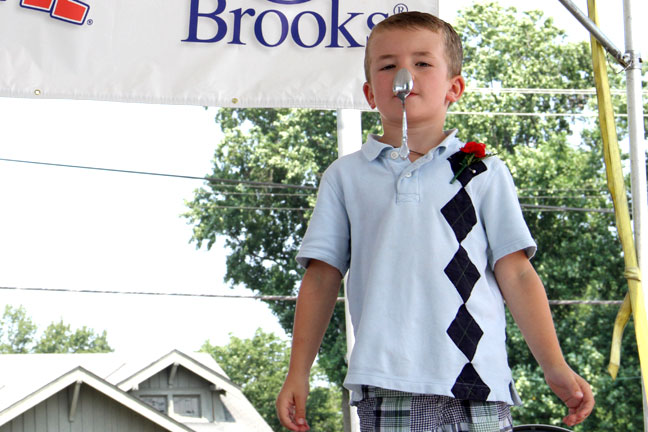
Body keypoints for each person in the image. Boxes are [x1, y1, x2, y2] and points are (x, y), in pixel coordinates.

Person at [276, 11, 594, 432]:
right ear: (371, 92)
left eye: (422, 63)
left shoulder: (482, 169)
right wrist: (297, 371)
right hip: (388, 381)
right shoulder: (345, 175)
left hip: (479, 382)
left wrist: (554, 365)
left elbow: (516, 273)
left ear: (454, 88)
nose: (403, 74)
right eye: (388, 65)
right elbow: (320, 278)